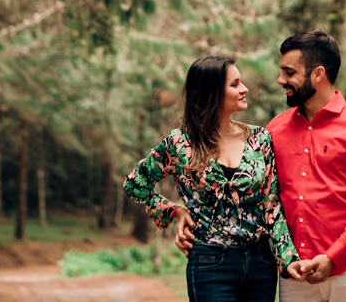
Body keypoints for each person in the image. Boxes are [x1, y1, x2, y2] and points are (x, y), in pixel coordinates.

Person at [176, 30, 346, 301]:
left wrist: (332, 258)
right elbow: (256, 198)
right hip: (296, 274)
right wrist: (183, 214)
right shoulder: (274, 131)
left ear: (318, 74)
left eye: (289, 72)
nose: (281, 80)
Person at [124, 55, 306, 302]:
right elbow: (136, 183)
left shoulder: (260, 139)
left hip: (260, 264)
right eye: (235, 84)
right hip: (210, 263)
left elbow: (271, 206)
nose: (245, 89)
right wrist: (175, 211)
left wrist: (288, 258)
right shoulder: (180, 144)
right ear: (212, 92)